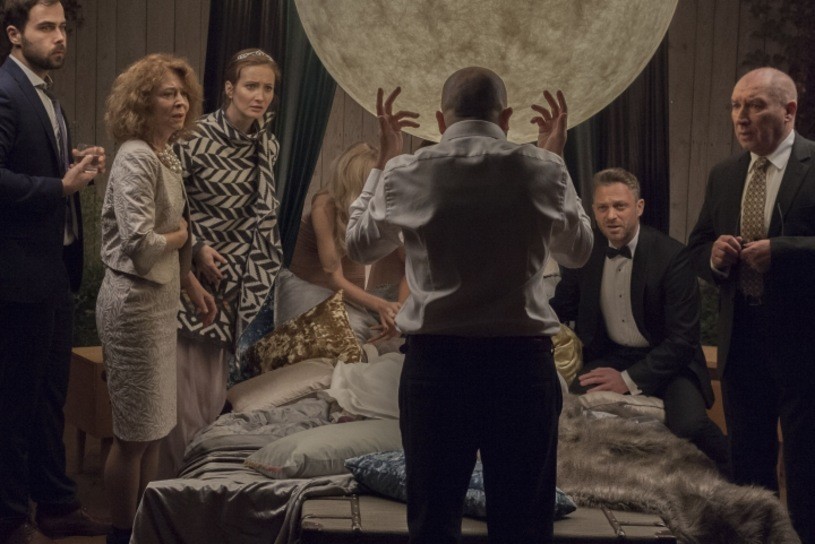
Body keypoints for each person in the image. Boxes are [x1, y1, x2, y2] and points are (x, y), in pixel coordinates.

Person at [346, 69, 593, 543]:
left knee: (433, 526)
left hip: (437, 371)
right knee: (523, 529)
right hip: (522, 371)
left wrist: (384, 160)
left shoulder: (406, 171)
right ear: (506, 117)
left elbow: (358, 247)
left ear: (441, 120)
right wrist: (556, 159)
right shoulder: (543, 168)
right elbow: (578, 252)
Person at [685, 66, 815, 544]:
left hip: (804, 348)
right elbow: (695, 249)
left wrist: (783, 252)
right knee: (749, 473)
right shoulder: (724, 174)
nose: (741, 116)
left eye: (755, 105)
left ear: (789, 110)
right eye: (736, 106)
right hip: (742, 344)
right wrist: (714, 257)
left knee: (806, 472)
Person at [96, 53, 216, 544]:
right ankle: (120, 534)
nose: (180, 102)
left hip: (160, 303)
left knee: (152, 431)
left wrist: (191, 283)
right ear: (143, 102)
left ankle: (141, 530)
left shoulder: (164, 153)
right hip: (134, 305)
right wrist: (182, 236)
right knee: (133, 436)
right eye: (169, 94)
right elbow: (140, 244)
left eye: (184, 94)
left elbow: (163, 243)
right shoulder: (136, 156)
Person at [0, 1, 109, 542]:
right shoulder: (5, 91)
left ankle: (56, 504)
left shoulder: (46, 95)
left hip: (53, 271)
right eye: (47, 27)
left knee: (50, 399)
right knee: (14, 403)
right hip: (16, 276)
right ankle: (8, 517)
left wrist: (75, 166)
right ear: (14, 34)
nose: (60, 36)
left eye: (63, 27)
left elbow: (36, 167)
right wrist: (58, 186)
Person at [157, 48, 285, 478]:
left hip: (235, 283)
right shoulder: (192, 138)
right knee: (181, 400)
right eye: (251, 86)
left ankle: (200, 489)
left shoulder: (268, 145)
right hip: (189, 278)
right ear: (229, 88)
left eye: (267, 88)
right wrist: (196, 248)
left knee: (212, 399)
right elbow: (167, 206)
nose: (260, 96)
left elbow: (261, 218)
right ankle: (171, 490)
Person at [550, 167, 729, 472]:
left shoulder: (672, 256)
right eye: (603, 208)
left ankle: (738, 475)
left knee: (690, 425)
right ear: (593, 211)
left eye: (620, 206)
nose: (611, 216)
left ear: (639, 207)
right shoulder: (586, 253)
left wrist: (628, 379)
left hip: (671, 361)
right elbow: (561, 307)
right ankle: (611, 478)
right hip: (612, 355)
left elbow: (683, 341)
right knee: (569, 408)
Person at [276, 141, 403, 343]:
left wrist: (397, 312)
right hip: (311, 292)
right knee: (357, 327)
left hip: (349, 296)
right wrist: (379, 305)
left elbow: (411, 260)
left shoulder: (371, 210)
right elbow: (333, 277)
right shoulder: (324, 207)